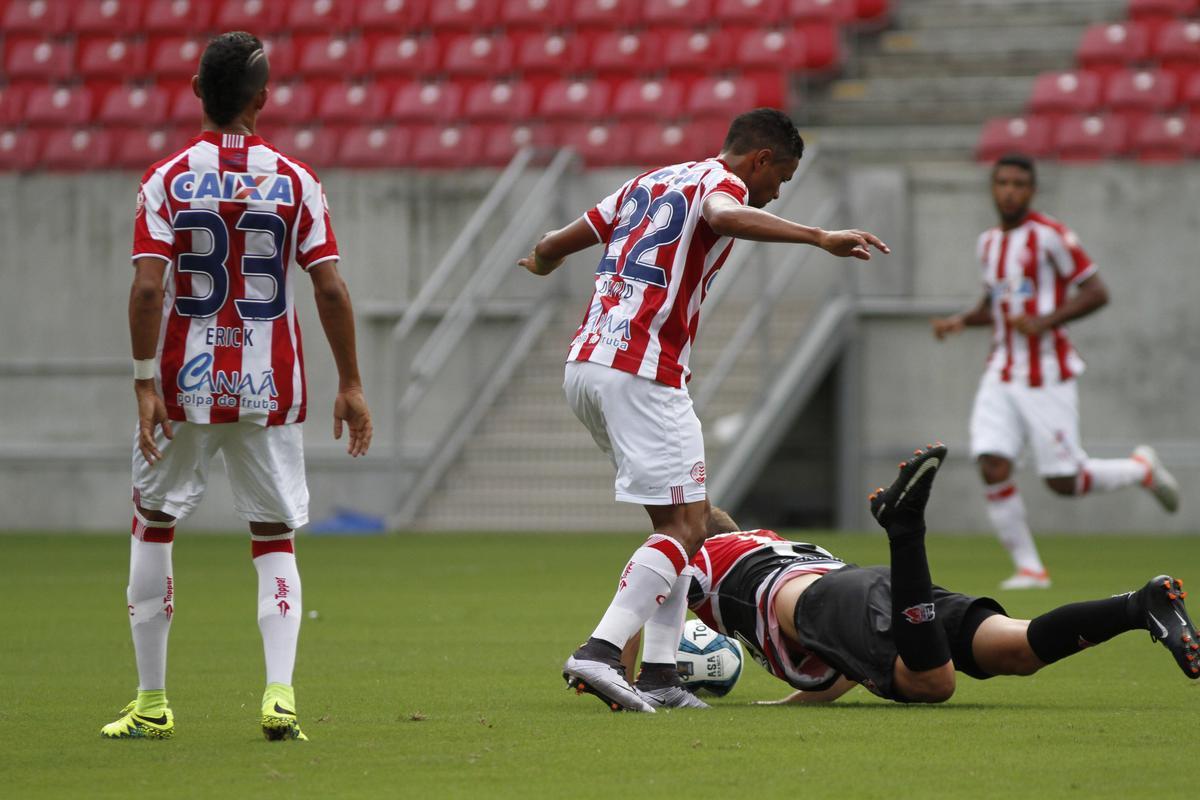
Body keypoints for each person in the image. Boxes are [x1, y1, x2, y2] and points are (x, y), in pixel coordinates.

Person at [519, 108, 890, 712]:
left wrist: (541, 262)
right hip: (642, 369)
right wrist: (818, 236)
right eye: (781, 180)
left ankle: (662, 677)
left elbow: (554, 244)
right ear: (761, 160)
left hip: (586, 366)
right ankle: (601, 652)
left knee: (686, 522)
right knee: (684, 528)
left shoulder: (648, 182)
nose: (773, 194)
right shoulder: (724, 185)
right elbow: (723, 214)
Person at [101, 31, 372, 741]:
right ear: (262, 98)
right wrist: (349, 382)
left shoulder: (164, 179)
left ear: (197, 92)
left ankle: (152, 704)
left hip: (182, 387)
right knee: (274, 536)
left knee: (154, 524)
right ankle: (279, 695)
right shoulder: (294, 180)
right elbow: (332, 291)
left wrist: (140, 382)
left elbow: (146, 289)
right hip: (269, 386)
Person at [679, 444, 1198, 706]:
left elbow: (644, 591)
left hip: (827, 602)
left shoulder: (699, 556)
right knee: (1015, 650)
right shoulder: (769, 542)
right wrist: (788, 703)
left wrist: (620, 670)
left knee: (932, 683)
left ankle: (906, 529)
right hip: (871, 588)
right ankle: (1139, 605)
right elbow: (844, 663)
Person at [931, 153, 1178, 590]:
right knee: (990, 463)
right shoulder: (988, 242)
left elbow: (1097, 292)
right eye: (1002, 182)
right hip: (1001, 371)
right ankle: (1030, 568)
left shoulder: (1051, 237)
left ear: (1032, 190)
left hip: (1047, 370)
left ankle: (1141, 469)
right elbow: (996, 305)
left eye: (1019, 184)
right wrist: (961, 321)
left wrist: (1045, 321)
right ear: (993, 187)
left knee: (1063, 481)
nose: (1010, 191)